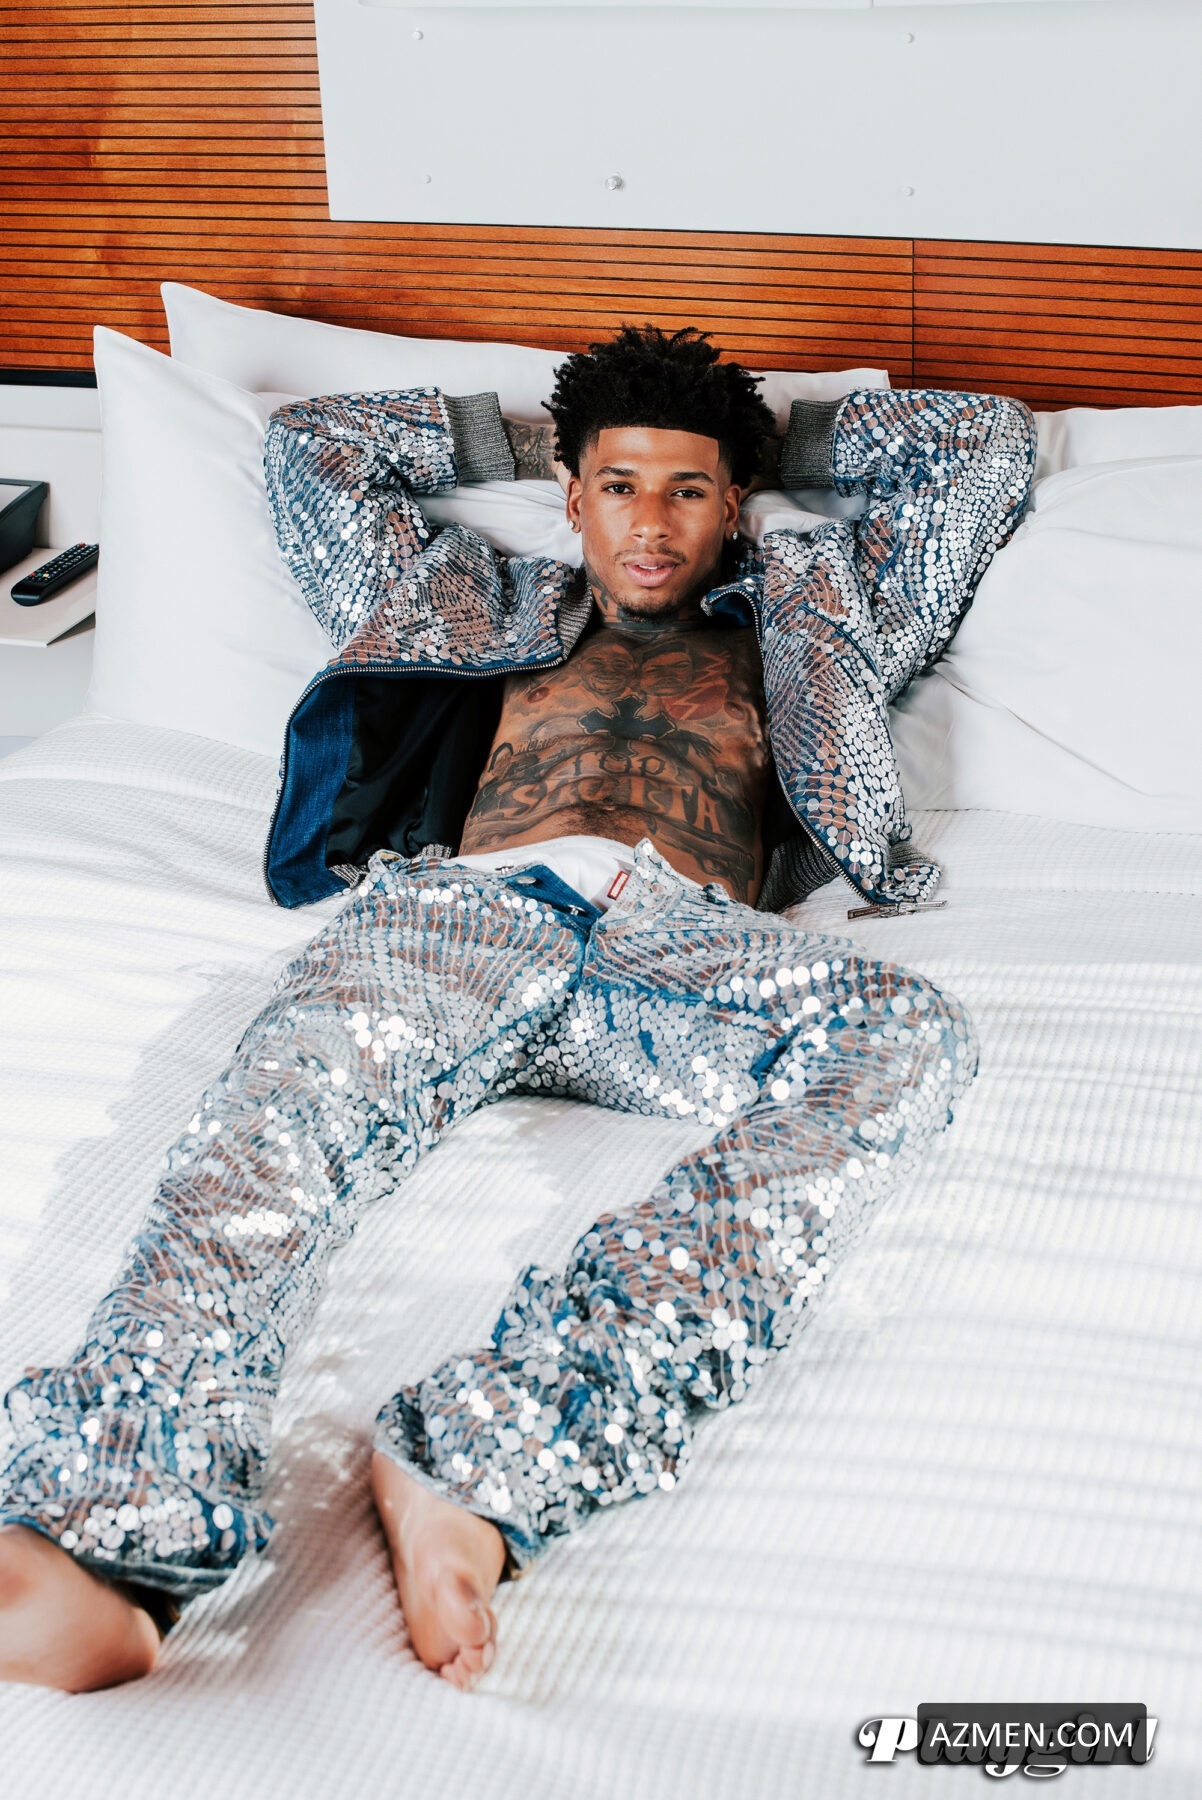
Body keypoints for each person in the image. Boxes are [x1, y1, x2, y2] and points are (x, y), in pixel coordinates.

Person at [0, 327, 1036, 1694]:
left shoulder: (826, 609)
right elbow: (311, 451)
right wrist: (542, 423)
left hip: (680, 944)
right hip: (460, 916)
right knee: (273, 1140)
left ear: (735, 502)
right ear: (570, 492)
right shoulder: (465, 593)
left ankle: (493, 1461)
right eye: (619, 486)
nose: (650, 524)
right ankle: (106, 1535)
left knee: (908, 1036)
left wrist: (763, 431)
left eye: (688, 490)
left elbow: (984, 445)